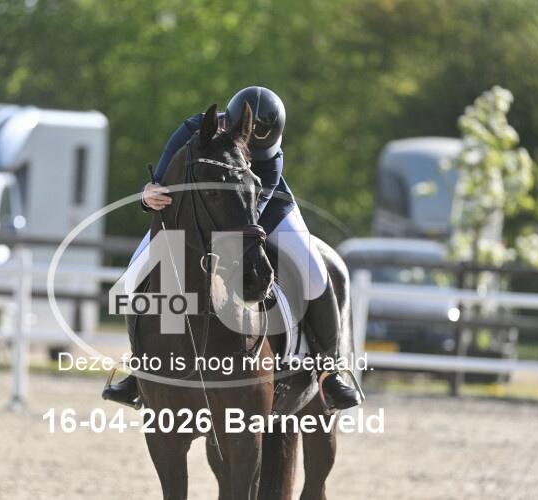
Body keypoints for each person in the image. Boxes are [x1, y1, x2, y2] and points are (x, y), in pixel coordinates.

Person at [103, 86, 362, 410]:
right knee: (134, 275)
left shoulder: (272, 159)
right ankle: (139, 370)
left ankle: (329, 373)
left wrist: (238, 238)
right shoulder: (193, 130)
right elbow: (160, 183)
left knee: (315, 270)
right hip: (201, 213)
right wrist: (148, 195)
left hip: (263, 211)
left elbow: (254, 208)